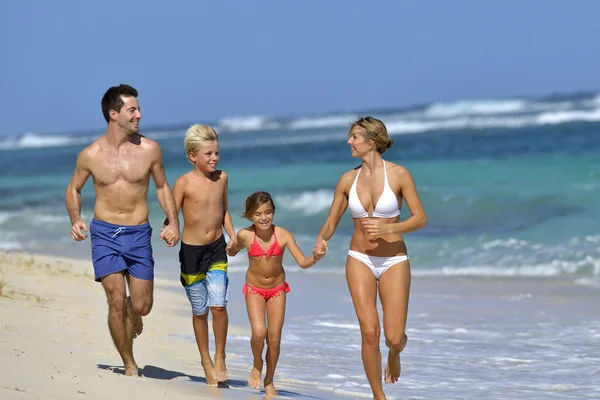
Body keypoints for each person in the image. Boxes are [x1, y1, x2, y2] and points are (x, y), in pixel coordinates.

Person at [65, 84, 180, 377]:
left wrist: (173, 222)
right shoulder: (90, 154)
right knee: (115, 299)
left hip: (138, 234)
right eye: (133, 110)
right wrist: (76, 218)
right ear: (113, 114)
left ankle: (133, 313)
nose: (139, 115)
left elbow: (162, 186)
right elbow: (74, 188)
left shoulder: (150, 149)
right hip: (104, 234)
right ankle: (129, 363)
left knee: (141, 305)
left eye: (138, 109)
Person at [312, 116, 426, 400]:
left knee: (393, 337)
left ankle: (395, 353)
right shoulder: (347, 179)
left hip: (394, 260)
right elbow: (331, 222)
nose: (349, 142)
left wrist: (390, 227)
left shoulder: (399, 174)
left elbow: (420, 218)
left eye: (354, 137)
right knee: (370, 332)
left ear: (371, 142)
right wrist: (321, 241)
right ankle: (378, 395)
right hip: (359, 258)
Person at [227, 191, 324, 397]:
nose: (264, 217)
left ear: (274, 212)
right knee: (259, 333)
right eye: (258, 213)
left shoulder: (283, 235)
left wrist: (315, 257)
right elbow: (234, 250)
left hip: (278, 290)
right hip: (254, 289)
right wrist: (231, 249)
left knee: (274, 338)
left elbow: (303, 262)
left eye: (268, 212)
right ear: (250, 216)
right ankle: (256, 363)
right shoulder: (246, 235)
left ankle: (269, 380)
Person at [168, 124, 237, 385]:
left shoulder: (223, 178)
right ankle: (205, 359)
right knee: (201, 310)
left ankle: (220, 356)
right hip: (192, 254)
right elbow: (172, 215)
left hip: (217, 248)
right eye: (208, 154)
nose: (214, 158)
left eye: (216, 153)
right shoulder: (183, 182)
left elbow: (224, 211)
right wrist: (169, 231)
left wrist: (233, 236)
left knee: (219, 305)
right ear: (192, 156)